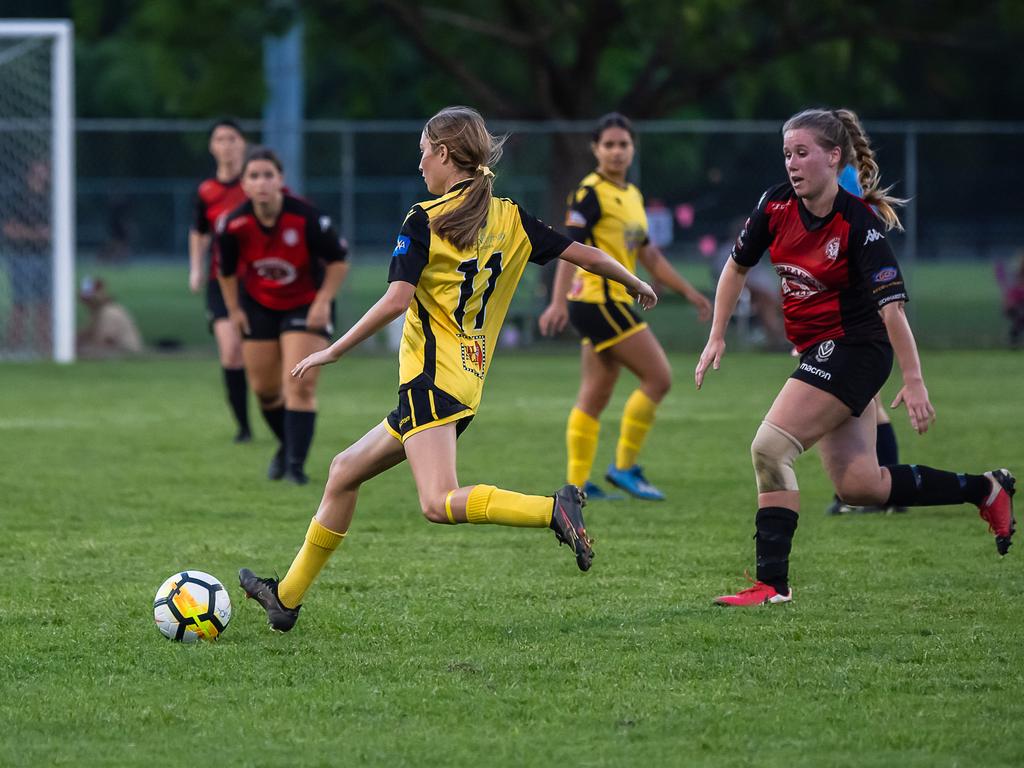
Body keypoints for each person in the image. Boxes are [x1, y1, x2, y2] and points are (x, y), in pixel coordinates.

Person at [237, 106, 658, 633]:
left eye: (422, 153)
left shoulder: (424, 218)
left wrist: (334, 349)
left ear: (443, 154)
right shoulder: (511, 216)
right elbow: (587, 256)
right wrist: (635, 282)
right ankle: (285, 599)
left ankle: (553, 509)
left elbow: (396, 301)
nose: (419, 166)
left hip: (431, 381)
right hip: (463, 382)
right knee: (343, 472)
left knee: (437, 502)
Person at [695, 107, 1016, 607]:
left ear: (833, 157)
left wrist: (914, 380)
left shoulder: (858, 223)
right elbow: (736, 267)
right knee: (859, 486)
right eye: (787, 154)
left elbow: (893, 312)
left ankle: (771, 585)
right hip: (820, 352)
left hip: (855, 351)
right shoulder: (774, 206)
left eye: (803, 153)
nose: (792, 164)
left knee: (769, 448)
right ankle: (986, 489)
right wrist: (717, 334)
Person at [538, 113, 712, 502]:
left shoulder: (632, 196)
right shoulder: (589, 193)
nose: (617, 151)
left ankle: (577, 487)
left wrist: (688, 291)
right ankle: (624, 467)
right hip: (597, 301)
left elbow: (648, 254)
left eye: (623, 144)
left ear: (633, 148)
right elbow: (571, 251)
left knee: (595, 396)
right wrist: (557, 302)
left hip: (608, 302)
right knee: (660, 377)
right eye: (609, 144)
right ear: (595, 149)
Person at [217, 146, 350, 485]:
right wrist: (234, 310)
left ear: (281, 180)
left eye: (268, 175)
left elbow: (338, 260)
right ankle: (287, 445)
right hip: (259, 304)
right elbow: (227, 271)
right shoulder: (235, 224)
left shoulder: (305, 218)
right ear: (244, 185)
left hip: (305, 302)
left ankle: (295, 467)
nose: (262, 183)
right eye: (254, 176)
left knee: (299, 384)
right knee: (264, 390)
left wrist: (323, 301)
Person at [824, 165, 904, 515]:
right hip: (852, 305)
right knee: (870, 403)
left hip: (854, 309)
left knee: (864, 401)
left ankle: (874, 493)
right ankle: (879, 494)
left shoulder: (840, 180)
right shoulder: (847, 175)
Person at [189, 118, 252, 443]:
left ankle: (279, 410)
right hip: (220, 279)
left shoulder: (256, 182)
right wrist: (196, 269)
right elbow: (199, 231)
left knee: (261, 354)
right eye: (220, 139)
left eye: (232, 138)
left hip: (257, 281)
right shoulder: (207, 191)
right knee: (230, 352)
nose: (226, 145)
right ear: (212, 147)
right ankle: (243, 426)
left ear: (242, 143)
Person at [3, 159, 51, 355]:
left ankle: (44, 348)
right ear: (29, 173)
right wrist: (35, 234)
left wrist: (45, 234)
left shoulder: (51, 199)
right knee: (20, 304)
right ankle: (14, 347)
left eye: (44, 171)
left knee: (44, 304)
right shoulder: (17, 198)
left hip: (45, 256)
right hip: (22, 256)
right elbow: (9, 229)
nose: (41, 175)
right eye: (37, 171)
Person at [76, 276, 143, 358]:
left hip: (124, 352)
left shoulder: (109, 312)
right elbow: (87, 333)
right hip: (117, 351)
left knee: (83, 352)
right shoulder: (99, 312)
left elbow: (103, 340)